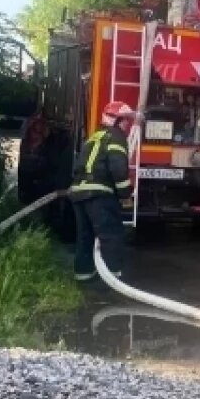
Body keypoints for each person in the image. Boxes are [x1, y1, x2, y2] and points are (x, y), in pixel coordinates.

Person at [69, 101, 137, 281]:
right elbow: (118, 168)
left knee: (85, 235)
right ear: (115, 120)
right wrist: (125, 195)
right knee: (111, 235)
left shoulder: (94, 136)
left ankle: (83, 275)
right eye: (125, 121)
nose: (127, 124)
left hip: (78, 192)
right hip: (99, 195)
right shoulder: (116, 137)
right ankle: (112, 279)